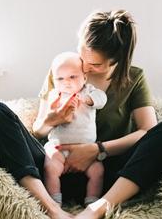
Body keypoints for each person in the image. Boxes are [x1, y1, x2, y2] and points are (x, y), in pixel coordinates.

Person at [0, 9, 162, 219]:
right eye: (82, 55)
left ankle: (96, 210)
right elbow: (38, 132)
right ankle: (50, 208)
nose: (85, 67)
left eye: (95, 64)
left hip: (104, 176)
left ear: (117, 61)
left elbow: (146, 131)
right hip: (53, 167)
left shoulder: (134, 78)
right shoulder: (64, 68)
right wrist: (52, 120)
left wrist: (97, 150)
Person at [43, 51, 107, 207]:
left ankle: (91, 201)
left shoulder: (88, 92)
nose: (66, 82)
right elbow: (49, 112)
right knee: (49, 167)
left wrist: (88, 99)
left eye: (72, 77)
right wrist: (58, 106)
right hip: (59, 147)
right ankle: (54, 200)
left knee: (98, 171)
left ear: (84, 77)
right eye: (60, 78)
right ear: (54, 80)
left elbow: (102, 99)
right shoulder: (55, 94)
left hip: (86, 149)